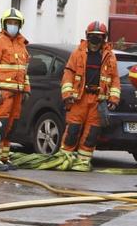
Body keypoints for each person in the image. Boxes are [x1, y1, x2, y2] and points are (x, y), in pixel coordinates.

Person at [43, 22, 119, 172]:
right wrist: (67, 94)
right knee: (72, 130)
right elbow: (68, 74)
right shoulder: (78, 53)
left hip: (98, 100)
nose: (95, 40)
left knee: (92, 134)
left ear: (104, 38)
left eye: (99, 37)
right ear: (87, 36)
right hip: (79, 99)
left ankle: (83, 162)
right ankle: (65, 158)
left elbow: (115, 79)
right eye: (93, 37)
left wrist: (114, 98)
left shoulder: (109, 56)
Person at [0, 8, 29, 170]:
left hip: (16, 93)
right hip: (2, 93)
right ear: (4, 24)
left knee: (10, 127)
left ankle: (3, 157)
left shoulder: (21, 44)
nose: (13, 25)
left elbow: (24, 69)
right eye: (10, 22)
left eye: (16, 23)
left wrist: (26, 89)